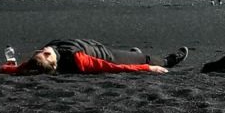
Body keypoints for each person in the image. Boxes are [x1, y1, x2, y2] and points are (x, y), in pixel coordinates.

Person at [11, 39, 187, 75]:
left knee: (133, 55)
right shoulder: (79, 59)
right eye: (45, 54)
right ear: (52, 60)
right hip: (109, 58)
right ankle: (169, 61)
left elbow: (24, 66)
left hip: (99, 47)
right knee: (145, 59)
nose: (43, 50)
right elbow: (112, 68)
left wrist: (9, 67)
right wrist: (148, 68)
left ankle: (135, 54)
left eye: (40, 52)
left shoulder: (47, 53)